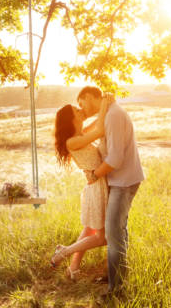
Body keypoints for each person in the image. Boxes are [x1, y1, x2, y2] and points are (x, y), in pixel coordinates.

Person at [76, 86, 143, 296]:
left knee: (113, 232)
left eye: (81, 103)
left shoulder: (114, 116)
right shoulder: (109, 113)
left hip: (123, 181)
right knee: (118, 230)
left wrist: (94, 175)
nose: (82, 109)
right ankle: (116, 275)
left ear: (88, 97)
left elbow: (115, 159)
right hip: (118, 180)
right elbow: (84, 134)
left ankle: (115, 288)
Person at [49, 94, 115, 280]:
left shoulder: (80, 135)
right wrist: (105, 104)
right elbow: (101, 129)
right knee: (102, 238)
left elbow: (97, 123)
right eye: (77, 110)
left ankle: (73, 269)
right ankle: (63, 251)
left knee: (89, 230)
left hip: (96, 184)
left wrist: (104, 108)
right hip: (97, 187)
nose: (81, 111)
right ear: (71, 119)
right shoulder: (73, 141)